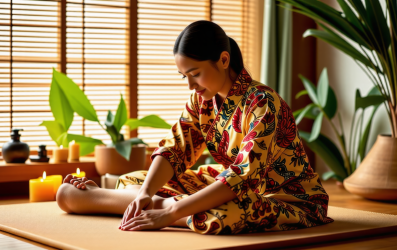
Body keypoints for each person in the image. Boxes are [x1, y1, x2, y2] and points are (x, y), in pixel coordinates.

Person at [57, 20, 333, 235]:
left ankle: (117, 202)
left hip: (286, 198)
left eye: (195, 74)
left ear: (224, 60)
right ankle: (144, 203)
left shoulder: (264, 103)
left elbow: (242, 178)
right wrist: (145, 194)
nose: (190, 85)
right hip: (221, 182)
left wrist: (170, 213)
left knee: (225, 215)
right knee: (135, 181)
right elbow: (174, 150)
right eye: (184, 76)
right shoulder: (200, 100)